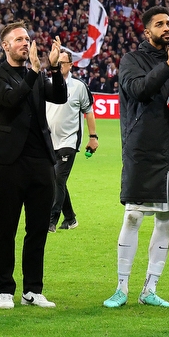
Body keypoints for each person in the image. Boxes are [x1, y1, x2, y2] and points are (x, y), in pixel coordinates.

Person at [103, 6, 169, 310]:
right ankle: (121, 287)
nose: (166, 27)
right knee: (134, 214)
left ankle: (150, 288)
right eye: (159, 24)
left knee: (167, 217)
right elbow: (139, 90)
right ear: (146, 32)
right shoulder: (131, 61)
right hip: (142, 147)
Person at [0, 24, 67, 310]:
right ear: (5, 46)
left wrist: (53, 69)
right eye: (19, 39)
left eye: (27, 39)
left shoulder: (37, 73)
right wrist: (34, 71)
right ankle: (5, 289)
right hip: (9, 162)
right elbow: (10, 99)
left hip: (42, 160)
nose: (25, 42)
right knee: (6, 228)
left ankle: (33, 289)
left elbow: (59, 97)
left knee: (38, 229)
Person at [47, 50, 98, 232]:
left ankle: (51, 221)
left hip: (69, 141)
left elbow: (89, 112)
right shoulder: (48, 84)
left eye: (63, 63)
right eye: (57, 63)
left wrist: (93, 137)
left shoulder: (78, 87)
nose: (60, 66)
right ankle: (70, 218)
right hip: (49, 141)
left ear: (71, 65)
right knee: (56, 180)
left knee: (57, 180)